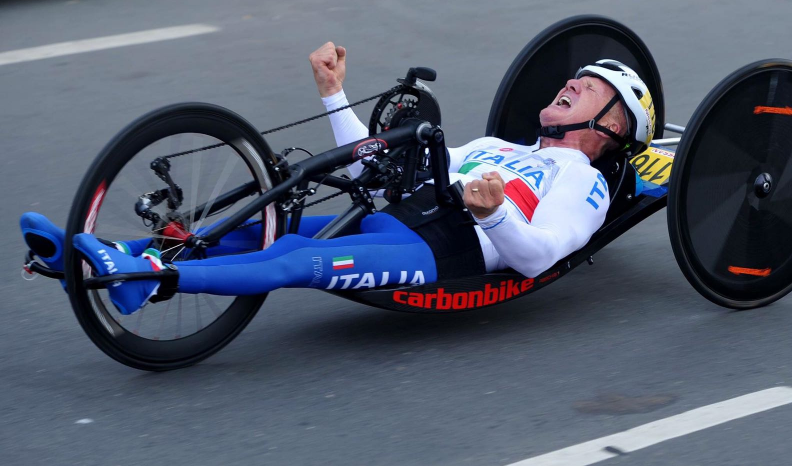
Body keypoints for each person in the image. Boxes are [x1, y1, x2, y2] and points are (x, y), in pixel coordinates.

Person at [20, 42, 655, 315]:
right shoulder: (493, 145)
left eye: (591, 86)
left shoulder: (585, 182)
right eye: (575, 78)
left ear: (613, 124)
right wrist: (334, 95)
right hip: (399, 219)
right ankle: (101, 255)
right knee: (253, 230)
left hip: (442, 249)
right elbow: (374, 163)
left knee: (297, 255)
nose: (572, 83)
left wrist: (495, 214)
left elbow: (541, 255)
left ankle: (149, 281)